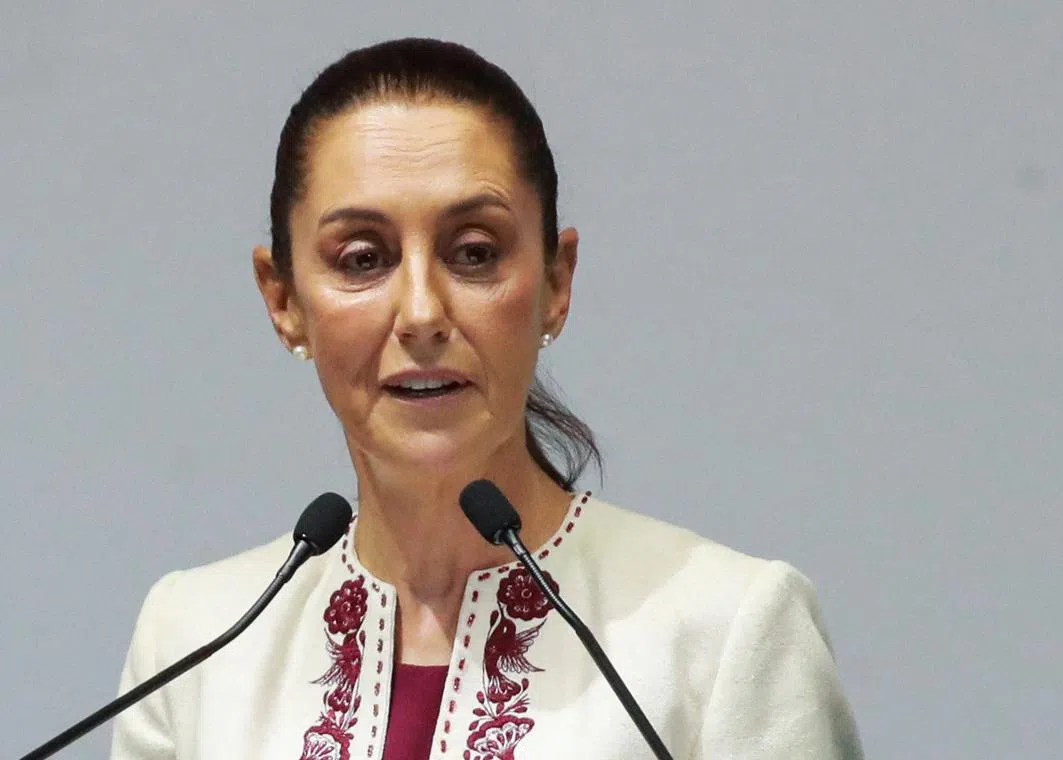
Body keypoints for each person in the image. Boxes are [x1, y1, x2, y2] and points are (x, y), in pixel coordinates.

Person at [110, 38, 863, 760]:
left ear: (556, 283)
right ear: (283, 301)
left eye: (474, 253)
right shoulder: (193, 645)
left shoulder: (726, 630)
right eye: (363, 259)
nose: (422, 313)